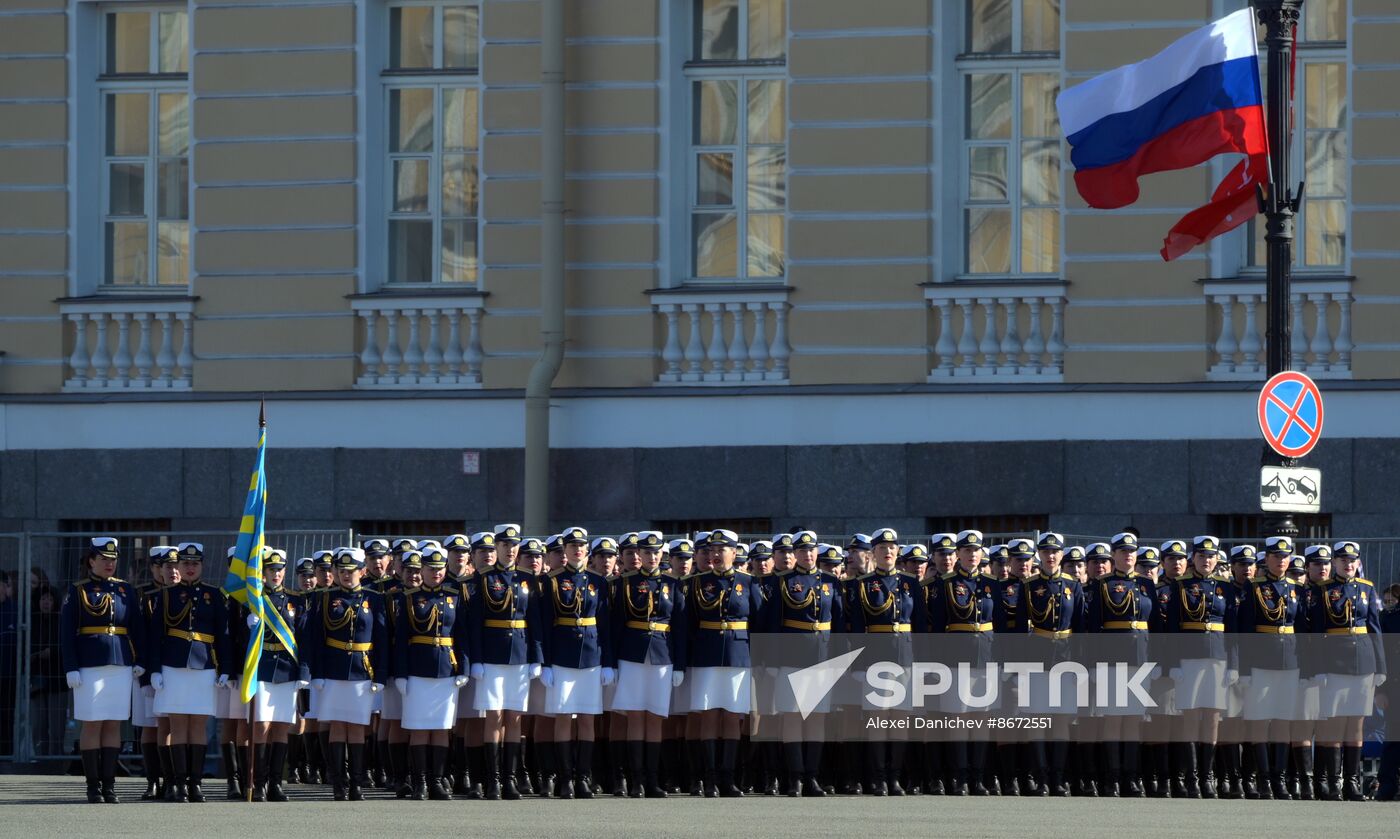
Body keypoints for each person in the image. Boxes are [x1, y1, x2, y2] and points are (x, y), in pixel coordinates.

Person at [675, 528, 763, 797]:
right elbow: (685, 625)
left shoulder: (749, 583)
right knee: (709, 715)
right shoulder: (695, 583)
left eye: (721, 550)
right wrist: (683, 661)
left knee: (733, 716)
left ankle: (728, 777)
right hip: (705, 654)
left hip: (738, 656)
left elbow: (758, 623)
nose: (714, 554)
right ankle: (709, 777)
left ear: (734, 553)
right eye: (711, 550)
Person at [61, 537, 148, 803]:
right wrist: (71, 667)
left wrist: (140, 659)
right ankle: (92, 786)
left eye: (113, 560)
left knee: (113, 723)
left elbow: (137, 628)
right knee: (92, 723)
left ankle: (109, 785)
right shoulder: (78, 591)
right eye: (104, 559)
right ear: (91, 561)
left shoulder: (125, 590)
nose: (110, 564)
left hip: (120, 662)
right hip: (89, 665)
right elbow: (66, 633)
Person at [305, 547, 388, 801]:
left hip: (363, 670)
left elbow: (381, 640)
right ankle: (339, 782)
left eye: (350, 571)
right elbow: (314, 639)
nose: (345, 575)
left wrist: (381, 676)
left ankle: (357, 782)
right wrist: (316, 673)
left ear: (362, 572)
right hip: (333, 669)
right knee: (338, 726)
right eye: (341, 571)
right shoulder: (325, 598)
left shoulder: (374, 599)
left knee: (358, 727)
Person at [150, 542, 229, 803]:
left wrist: (225, 668)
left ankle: (195, 784)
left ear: (202, 566)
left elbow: (222, 635)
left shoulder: (214, 595)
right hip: (173, 666)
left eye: (195, 564)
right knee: (178, 725)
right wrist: (155, 669)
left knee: (198, 726)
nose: (190, 568)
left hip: (204, 665)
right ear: (178, 566)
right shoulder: (166, 595)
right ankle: (178, 784)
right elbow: (156, 634)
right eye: (185, 564)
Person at [470, 527, 544, 800]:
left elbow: (534, 620)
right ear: (497, 548)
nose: (510, 550)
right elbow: (475, 624)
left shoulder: (527, 579)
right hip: (492, 655)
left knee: (514, 717)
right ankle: (493, 780)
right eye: (505, 545)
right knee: (494, 716)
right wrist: (476, 660)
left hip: (521, 654)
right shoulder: (483, 578)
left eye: (514, 546)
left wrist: (537, 656)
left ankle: (510, 779)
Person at [1309, 541, 1386, 801]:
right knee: (1333, 724)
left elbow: (1375, 631)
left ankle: (1351, 784)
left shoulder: (1366, 588)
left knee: (1356, 724)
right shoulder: (1323, 590)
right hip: (1334, 664)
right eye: (1343, 560)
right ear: (1335, 563)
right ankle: (1334, 783)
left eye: (1352, 560)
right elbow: (1318, 632)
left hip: (1362, 663)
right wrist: (1319, 668)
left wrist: (1380, 667)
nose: (1348, 564)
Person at [767, 535, 842, 797]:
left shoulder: (831, 582)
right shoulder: (783, 581)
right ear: (795, 553)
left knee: (816, 719)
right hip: (792, 656)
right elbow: (774, 624)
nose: (807, 554)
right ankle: (795, 778)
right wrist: (773, 662)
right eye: (802, 550)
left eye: (811, 550)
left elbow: (840, 626)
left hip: (822, 658)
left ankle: (812, 777)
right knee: (792, 717)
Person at [541, 530, 613, 799]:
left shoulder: (598, 581)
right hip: (562, 655)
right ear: (565, 549)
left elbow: (605, 624)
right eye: (572, 546)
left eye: (581, 545)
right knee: (563, 716)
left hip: (592, 656)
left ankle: (583, 777)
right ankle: (565, 779)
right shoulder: (552, 580)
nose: (577, 550)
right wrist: (546, 663)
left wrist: (608, 663)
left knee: (587, 718)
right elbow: (546, 625)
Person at [609, 531, 682, 798]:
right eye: (646, 553)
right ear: (638, 555)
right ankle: (636, 779)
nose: (651, 557)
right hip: (632, 654)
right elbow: (615, 626)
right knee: (635, 716)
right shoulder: (624, 583)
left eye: (656, 552)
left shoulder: (672, 584)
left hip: (662, 655)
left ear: (662, 554)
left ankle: (652, 779)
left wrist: (680, 664)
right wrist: (612, 663)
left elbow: (680, 627)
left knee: (655, 717)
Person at [396, 545, 470, 800]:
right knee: (419, 728)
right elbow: (401, 639)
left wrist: (464, 667)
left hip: (446, 670)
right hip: (417, 669)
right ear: (423, 570)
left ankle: (436, 782)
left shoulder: (454, 596)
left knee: (440, 728)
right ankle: (420, 782)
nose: (436, 573)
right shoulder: (410, 598)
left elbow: (462, 636)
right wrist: (402, 674)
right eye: (431, 569)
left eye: (439, 569)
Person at [238, 548, 310, 802]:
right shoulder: (254, 600)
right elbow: (238, 638)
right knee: (262, 726)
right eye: (271, 570)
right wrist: (248, 624)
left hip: (287, 670)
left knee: (281, 726)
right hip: (262, 667)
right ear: (263, 572)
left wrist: (303, 671)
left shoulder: (296, 600)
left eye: (280, 570)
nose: (276, 574)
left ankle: (275, 782)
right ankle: (259, 784)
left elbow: (304, 639)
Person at [1165, 537, 1234, 799]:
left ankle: (1208, 777)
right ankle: (1193, 779)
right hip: (1189, 658)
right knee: (1191, 719)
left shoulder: (1225, 588)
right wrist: (1173, 663)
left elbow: (1233, 630)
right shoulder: (1180, 586)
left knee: (1213, 720)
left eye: (1211, 556)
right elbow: (1171, 628)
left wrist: (1233, 665)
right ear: (1193, 558)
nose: (1207, 561)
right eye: (1202, 556)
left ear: (1217, 559)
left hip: (1218, 657)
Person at [1236, 537, 1302, 800]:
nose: (1282, 560)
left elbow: (1303, 629)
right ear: (1266, 559)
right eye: (1276, 556)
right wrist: (1244, 669)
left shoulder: (1295, 587)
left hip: (1290, 662)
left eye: (1285, 556)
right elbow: (1245, 631)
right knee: (1261, 722)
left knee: (1283, 723)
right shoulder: (1254, 588)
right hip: (1261, 661)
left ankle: (1279, 778)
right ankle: (1264, 779)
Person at [29, 583, 66, 759]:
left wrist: (52, 651)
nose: (46, 602)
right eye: (43, 598)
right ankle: (40, 758)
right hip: (37, 678)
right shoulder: (31, 621)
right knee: (38, 724)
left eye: (50, 599)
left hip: (58, 679)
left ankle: (55, 760)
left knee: (57, 725)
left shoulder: (61, 621)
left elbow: (66, 646)